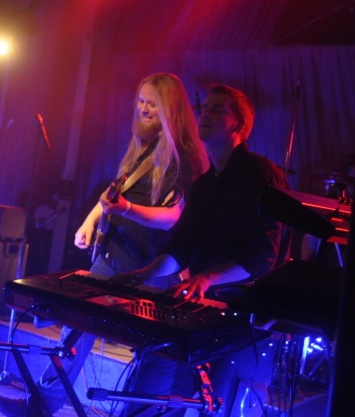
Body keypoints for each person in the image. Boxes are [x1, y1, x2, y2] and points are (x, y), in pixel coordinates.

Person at [0, 73, 208, 417]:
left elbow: (171, 216)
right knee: (74, 329)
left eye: (152, 104)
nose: (143, 109)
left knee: (151, 351)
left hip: (152, 267)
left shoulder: (185, 156)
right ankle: (40, 406)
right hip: (112, 257)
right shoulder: (143, 146)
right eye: (140, 101)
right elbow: (115, 190)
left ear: (171, 108)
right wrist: (91, 219)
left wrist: (126, 209)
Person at [104, 84, 285, 416]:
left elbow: (262, 255)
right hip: (203, 311)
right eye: (205, 108)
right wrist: (144, 273)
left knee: (219, 406)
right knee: (159, 394)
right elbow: (182, 247)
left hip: (246, 321)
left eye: (218, 109)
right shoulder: (203, 185)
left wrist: (205, 278)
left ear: (240, 124)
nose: (206, 114)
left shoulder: (260, 174)